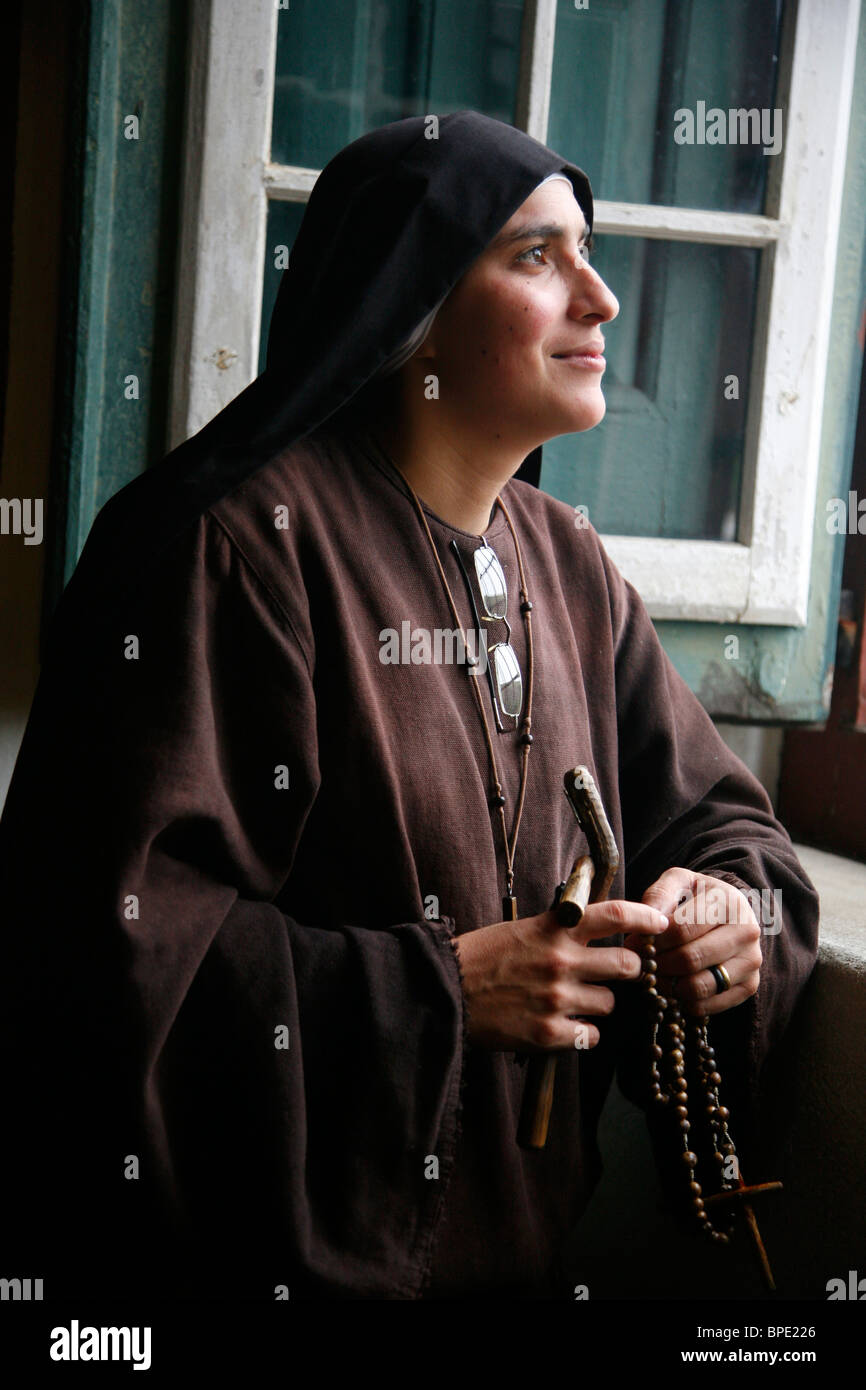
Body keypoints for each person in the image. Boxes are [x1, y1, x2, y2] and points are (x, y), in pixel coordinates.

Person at [0, 110, 818, 1302]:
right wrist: (439, 993)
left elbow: (721, 826)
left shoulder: (570, 567)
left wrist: (721, 911)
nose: (602, 299)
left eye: (585, 251)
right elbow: (102, 959)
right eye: (535, 256)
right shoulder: (224, 555)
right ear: (411, 306)